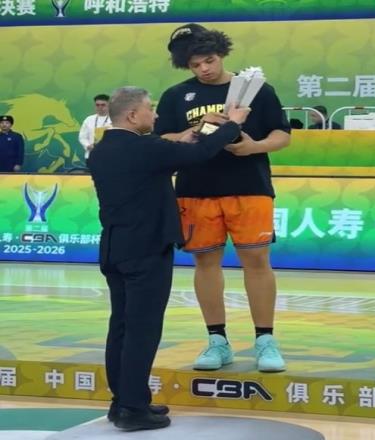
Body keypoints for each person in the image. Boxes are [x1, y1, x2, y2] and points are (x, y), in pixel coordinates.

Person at [87, 86, 248, 431]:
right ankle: (133, 408)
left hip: (115, 247)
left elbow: (177, 148)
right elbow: (199, 154)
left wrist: (202, 127)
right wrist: (233, 124)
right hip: (146, 250)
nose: (156, 114)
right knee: (142, 330)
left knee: (121, 327)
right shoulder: (146, 149)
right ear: (133, 115)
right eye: (150, 108)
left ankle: (122, 401)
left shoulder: (101, 150)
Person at [155, 23, 291, 373]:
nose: (204, 69)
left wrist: (255, 147)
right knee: (205, 263)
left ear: (222, 54)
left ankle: (265, 341)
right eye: (195, 65)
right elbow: (162, 138)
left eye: (209, 61)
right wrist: (195, 129)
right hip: (195, 189)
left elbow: (283, 134)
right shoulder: (176, 96)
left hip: (250, 186)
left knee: (257, 261)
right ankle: (217, 341)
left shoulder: (256, 89)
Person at [78, 94, 112, 159]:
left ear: (109, 105)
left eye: (103, 105)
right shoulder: (89, 119)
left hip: (110, 156)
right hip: (92, 155)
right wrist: (88, 145)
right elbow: (82, 137)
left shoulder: (115, 120)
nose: (100, 107)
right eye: (97, 105)